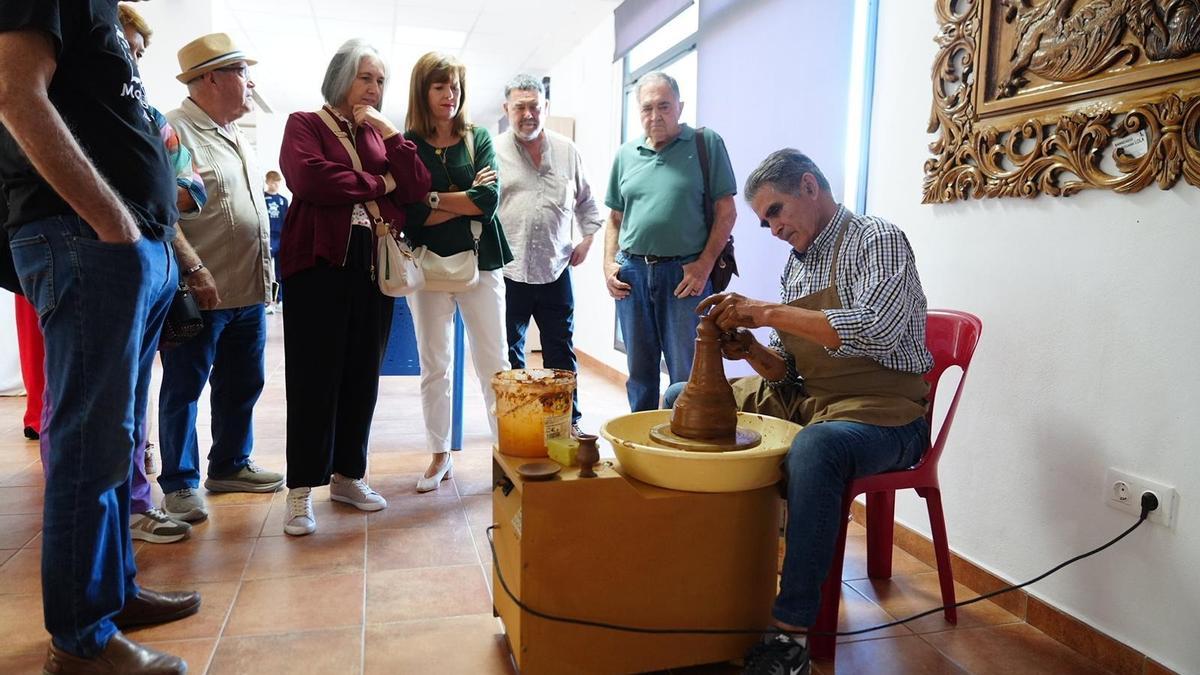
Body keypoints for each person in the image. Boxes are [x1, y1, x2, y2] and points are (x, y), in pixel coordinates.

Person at [666, 149, 933, 675]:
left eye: (776, 211)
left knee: (817, 446)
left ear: (810, 187)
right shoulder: (797, 265)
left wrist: (763, 311)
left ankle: (790, 634)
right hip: (815, 397)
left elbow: (875, 328)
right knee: (680, 395)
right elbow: (789, 375)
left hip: (888, 411)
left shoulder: (876, 239)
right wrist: (750, 349)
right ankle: (706, 577)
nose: (772, 228)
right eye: (764, 220)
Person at [0, 1, 201, 671]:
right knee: (89, 440)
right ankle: (83, 635)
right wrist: (114, 223)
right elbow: (13, 91)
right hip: (85, 238)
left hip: (120, 245)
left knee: (113, 437)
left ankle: (111, 590)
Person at [277, 39, 430, 535]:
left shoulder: (378, 134)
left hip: (372, 265)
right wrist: (378, 183)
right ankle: (300, 491)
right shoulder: (304, 123)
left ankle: (349, 475)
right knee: (312, 376)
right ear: (342, 77)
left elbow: (414, 186)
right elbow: (311, 179)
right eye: (367, 77)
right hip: (319, 263)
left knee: (363, 372)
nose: (375, 87)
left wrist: (392, 137)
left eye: (382, 80)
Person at [158, 33, 284, 524]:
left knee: (243, 383)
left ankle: (230, 464)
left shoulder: (237, 137)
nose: (250, 83)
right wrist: (193, 267)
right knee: (184, 389)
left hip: (248, 291)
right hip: (199, 290)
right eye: (241, 73)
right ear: (210, 77)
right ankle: (180, 483)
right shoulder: (173, 131)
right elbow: (160, 213)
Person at [404, 52, 511, 492]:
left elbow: (487, 201)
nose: (450, 95)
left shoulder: (478, 137)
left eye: (455, 87)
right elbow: (408, 214)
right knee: (435, 365)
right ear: (422, 91)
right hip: (427, 268)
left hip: (481, 264)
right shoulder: (408, 144)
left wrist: (431, 198)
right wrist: (455, 198)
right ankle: (439, 453)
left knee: (495, 362)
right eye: (439, 86)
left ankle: (508, 452)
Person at [603, 71, 737, 412]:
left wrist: (705, 264)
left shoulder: (705, 145)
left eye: (664, 106)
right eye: (647, 108)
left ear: (680, 106)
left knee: (688, 373)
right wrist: (608, 265)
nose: (655, 115)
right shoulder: (625, 155)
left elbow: (727, 213)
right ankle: (642, 444)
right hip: (632, 273)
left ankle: (685, 447)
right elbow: (615, 219)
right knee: (639, 372)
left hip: (684, 273)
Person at [495, 74, 602, 436]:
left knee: (560, 352)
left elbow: (587, 201)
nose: (528, 114)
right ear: (506, 109)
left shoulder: (568, 150)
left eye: (534, 106)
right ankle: (515, 421)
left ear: (545, 108)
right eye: (520, 106)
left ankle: (567, 422)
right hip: (508, 271)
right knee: (509, 353)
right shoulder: (493, 152)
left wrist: (587, 239)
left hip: (556, 269)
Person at [263, 169, 288, 311]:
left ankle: (280, 300)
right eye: (273, 181)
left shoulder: (283, 200)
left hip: (281, 239)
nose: (276, 184)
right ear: (267, 181)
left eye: (278, 182)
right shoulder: (262, 198)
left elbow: (288, 220)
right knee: (266, 271)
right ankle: (266, 302)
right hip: (268, 238)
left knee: (280, 271)